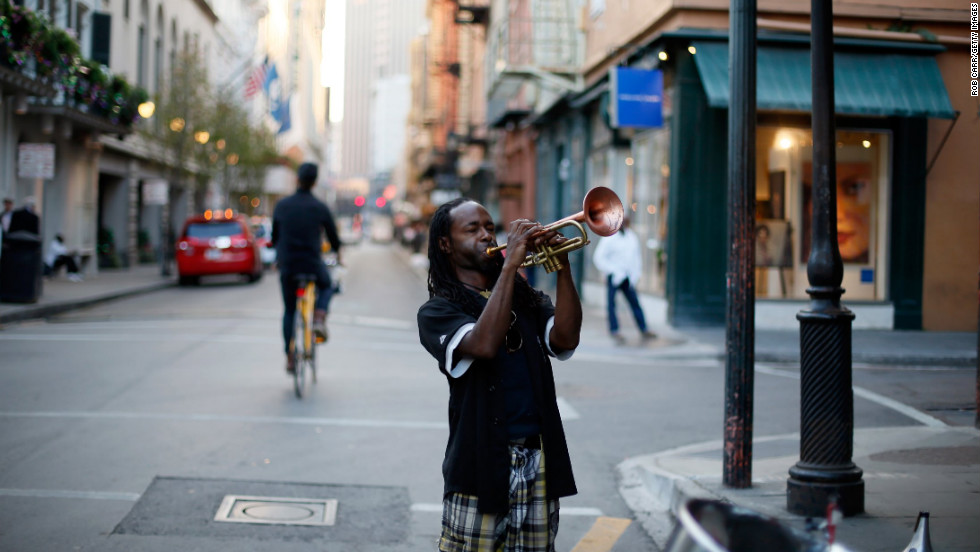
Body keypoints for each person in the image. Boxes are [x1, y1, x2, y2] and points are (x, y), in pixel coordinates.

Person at [417, 198, 582, 551]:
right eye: (472, 229)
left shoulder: (525, 298)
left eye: (490, 227)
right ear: (445, 243)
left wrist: (564, 267)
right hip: (479, 467)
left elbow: (565, 338)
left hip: (538, 459)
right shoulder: (438, 310)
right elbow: (483, 344)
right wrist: (511, 266)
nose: (486, 235)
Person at [271, 162, 342, 374]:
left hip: (288, 264)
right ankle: (319, 317)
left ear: (297, 179)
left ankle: (290, 356)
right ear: (315, 182)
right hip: (311, 263)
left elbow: (275, 237)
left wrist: (279, 254)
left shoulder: (282, 205)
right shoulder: (319, 207)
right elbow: (333, 238)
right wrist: (338, 253)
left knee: (289, 310)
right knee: (328, 285)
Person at [592, 216, 655, 344]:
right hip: (614, 276)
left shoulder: (632, 237)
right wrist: (612, 270)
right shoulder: (609, 237)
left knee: (635, 303)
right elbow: (599, 257)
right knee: (611, 305)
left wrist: (636, 275)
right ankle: (614, 330)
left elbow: (636, 257)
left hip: (628, 277)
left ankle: (643, 328)